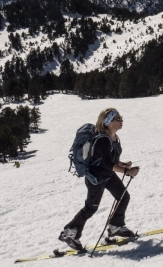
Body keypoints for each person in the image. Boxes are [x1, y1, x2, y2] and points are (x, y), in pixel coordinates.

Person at [59, 108, 140, 251]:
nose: (121, 121)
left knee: (123, 197)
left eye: (121, 117)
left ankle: (116, 226)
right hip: (95, 178)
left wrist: (123, 164)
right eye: (117, 119)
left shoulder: (113, 138)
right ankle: (69, 233)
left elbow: (109, 160)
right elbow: (107, 164)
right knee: (91, 208)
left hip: (107, 175)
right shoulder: (103, 139)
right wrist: (127, 171)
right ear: (108, 122)